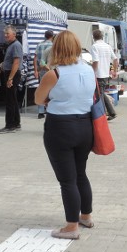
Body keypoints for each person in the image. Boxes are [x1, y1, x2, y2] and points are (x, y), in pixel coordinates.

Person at [34, 31, 96, 240]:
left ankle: (71, 226)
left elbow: (38, 98)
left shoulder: (55, 73)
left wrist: (52, 100)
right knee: (81, 174)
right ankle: (85, 216)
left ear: (57, 49)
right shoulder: (89, 70)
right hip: (85, 126)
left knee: (67, 180)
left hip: (60, 127)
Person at [0, 26, 24, 134]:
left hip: (12, 74)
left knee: (10, 101)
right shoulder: (12, 45)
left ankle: (10, 125)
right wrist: (2, 65)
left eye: (7, 33)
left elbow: (16, 63)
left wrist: (10, 78)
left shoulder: (16, 45)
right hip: (10, 72)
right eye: (5, 33)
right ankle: (16, 123)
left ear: (14, 34)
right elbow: (11, 61)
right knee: (13, 99)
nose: (5, 35)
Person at [89, 29, 118, 120]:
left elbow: (96, 61)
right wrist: (115, 71)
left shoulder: (94, 46)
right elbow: (115, 59)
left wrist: (92, 72)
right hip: (105, 74)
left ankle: (102, 114)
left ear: (93, 37)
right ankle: (112, 113)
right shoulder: (107, 46)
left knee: (99, 94)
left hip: (98, 74)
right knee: (101, 92)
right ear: (102, 37)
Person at [34, 30, 55, 120]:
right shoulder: (53, 46)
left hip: (42, 71)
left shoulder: (39, 45)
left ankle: (40, 112)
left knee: (42, 90)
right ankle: (50, 109)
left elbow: (35, 59)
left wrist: (36, 70)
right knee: (52, 91)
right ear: (52, 36)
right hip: (52, 71)